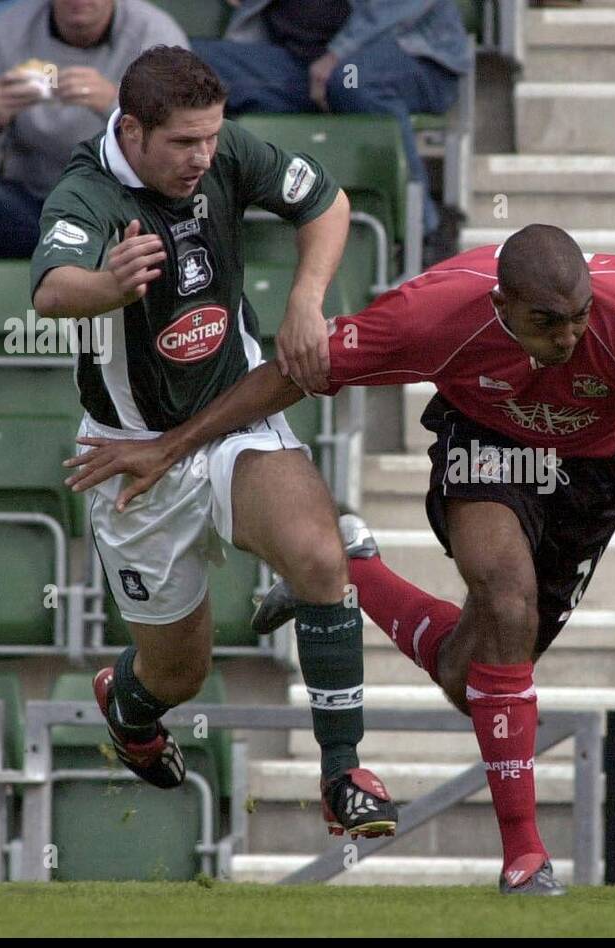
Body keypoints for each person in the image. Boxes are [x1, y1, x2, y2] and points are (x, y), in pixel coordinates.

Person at [61, 223, 615, 894]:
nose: (569, 336)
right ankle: (525, 857)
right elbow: (293, 373)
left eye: (578, 317)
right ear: (501, 306)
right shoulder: (435, 314)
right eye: (548, 321)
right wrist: (171, 445)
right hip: (485, 445)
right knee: (508, 600)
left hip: (594, 474)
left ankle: (355, 569)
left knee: (476, 679)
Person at [33, 45, 398, 838]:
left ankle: (345, 774)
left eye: (210, 138)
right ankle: (129, 711)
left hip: (235, 413)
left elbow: (326, 204)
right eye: (182, 144)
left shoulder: (223, 149)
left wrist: (306, 298)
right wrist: (110, 283)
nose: (203, 157)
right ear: (130, 130)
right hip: (131, 455)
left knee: (320, 557)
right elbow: (53, 290)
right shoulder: (86, 191)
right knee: (181, 673)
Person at [0, 0, 187, 323]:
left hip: (119, 208)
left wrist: (115, 106)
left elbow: (184, 154)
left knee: (167, 223)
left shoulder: (154, 37)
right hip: (32, 202)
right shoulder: (4, 35)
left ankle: (148, 342)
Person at [194, 0, 470, 252]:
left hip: (408, 56)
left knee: (351, 80)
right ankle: (190, 225)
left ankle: (425, 230)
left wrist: (338, 55)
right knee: (193, 67)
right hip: (304, 69)